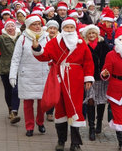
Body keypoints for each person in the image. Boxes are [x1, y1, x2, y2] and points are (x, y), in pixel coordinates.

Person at [31, 17, 95, 151]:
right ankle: (61, 141)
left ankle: (75, 143)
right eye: (67, 28)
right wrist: (37, 48)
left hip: (76, 80)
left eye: (72, 27)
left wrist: (88, 79)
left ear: (75, 29)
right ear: (63, 29)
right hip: (59, 79)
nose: (70, 30)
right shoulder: (55, 42)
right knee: (60, 111)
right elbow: (45, 55)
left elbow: (88, 61)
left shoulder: (81, 43)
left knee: (76, 110)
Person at [9, 14, 49, 137]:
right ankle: (29, 126)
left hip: (43, 75)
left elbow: (52, 56)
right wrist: (12, 75)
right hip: (27, 75)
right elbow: (15, 59)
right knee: (28, 104)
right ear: (29, 26)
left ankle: (40, 122)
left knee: (43, 103)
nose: (37, 27)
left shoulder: (47, 38)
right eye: (34, 24)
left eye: (39, 24)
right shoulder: (23, 39)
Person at [0, 18, 22, 123]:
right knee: (8, 91)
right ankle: (10, 108)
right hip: (5, 69)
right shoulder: (2, 38)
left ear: (15, 27)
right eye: (8, 26)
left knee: (16, 91)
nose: (10, 28)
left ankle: (15, 113)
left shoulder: (20, 38)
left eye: (12, 26)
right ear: (5, 28)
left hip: (18, 70)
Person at [81, 25, 110, 141]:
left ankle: (99, 123)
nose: (92, 35)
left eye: (94, 33)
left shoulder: (104, 44)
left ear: (97, 34)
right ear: (86, 35)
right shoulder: (83, 45)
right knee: (91, 100)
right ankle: (91, 127)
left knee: (101, 100)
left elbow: (108, 59)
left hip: (101, 78)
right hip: (89, 78)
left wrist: (106, 71)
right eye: (89, 34)